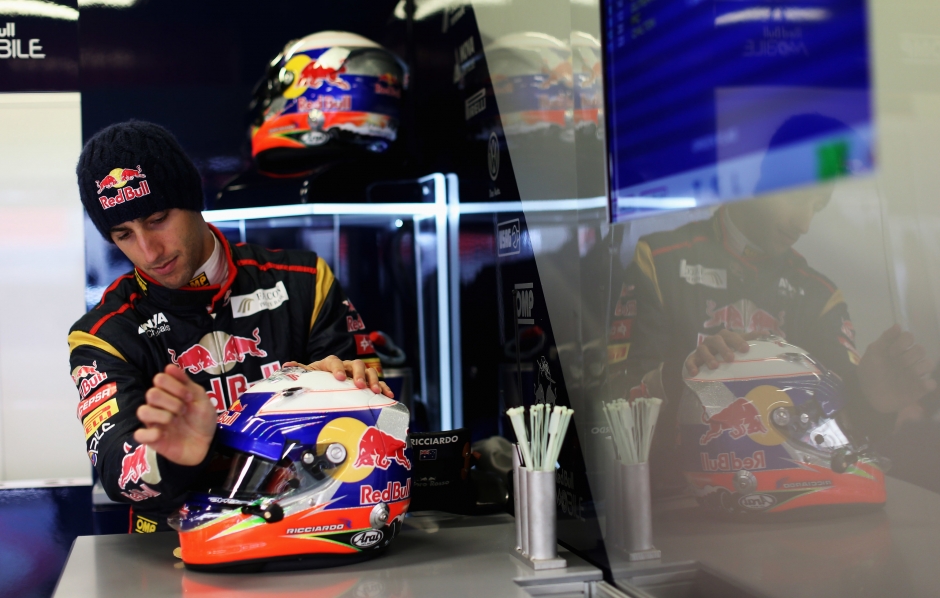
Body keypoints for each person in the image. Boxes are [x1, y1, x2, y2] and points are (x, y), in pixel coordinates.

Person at [69, 121, 391, 533]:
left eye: (157, 219)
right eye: (123, 234)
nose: (149, 252)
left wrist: (340, 392)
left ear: (193, 199)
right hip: (174, 547)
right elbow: (117, 469)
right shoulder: (103, 333)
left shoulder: (306, 282)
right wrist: (172, 455)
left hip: (311, 529)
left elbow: (379, 433)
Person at [612, 117, 936, 493]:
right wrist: (684, 374)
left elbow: (840, 440)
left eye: (817, 206)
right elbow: (615, 408)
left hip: (795, 504)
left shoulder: (819, 296)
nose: (804, 223)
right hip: (679, 501)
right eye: (797, 197)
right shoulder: (659, 260)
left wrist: (871, 399)